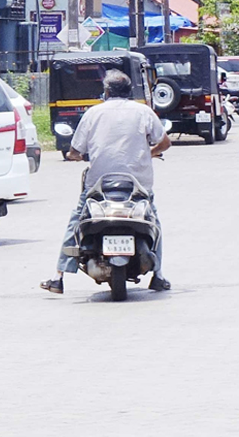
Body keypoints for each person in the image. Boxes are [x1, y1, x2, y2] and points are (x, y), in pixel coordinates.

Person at [41, 70, 171, 294]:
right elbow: (165, 142)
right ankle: (158, 275)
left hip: (98, 184)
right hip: (138, 184)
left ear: (107, 91)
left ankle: (58, 276)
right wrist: (150, 152)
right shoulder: (143, 111)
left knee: (77, 220)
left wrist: (77, 156)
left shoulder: (94, 113)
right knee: (152, 221)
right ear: (129, 91)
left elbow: (75, 150)